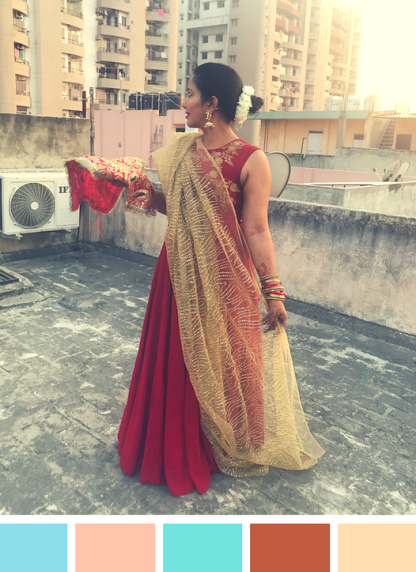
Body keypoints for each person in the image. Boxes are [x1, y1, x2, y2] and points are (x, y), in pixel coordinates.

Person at [66, 63, 324, 498]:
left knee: (223, 355)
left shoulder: (251, 159)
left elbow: (256, 229)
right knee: (178, 357)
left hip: (224, 276)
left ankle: (220, 440)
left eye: (188, 94)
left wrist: (273, 292)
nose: (181, 102)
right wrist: (131, 182)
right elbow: (179, 208)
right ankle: (171, 442)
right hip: (178, 269)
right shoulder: (183, 150)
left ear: (212, 104)